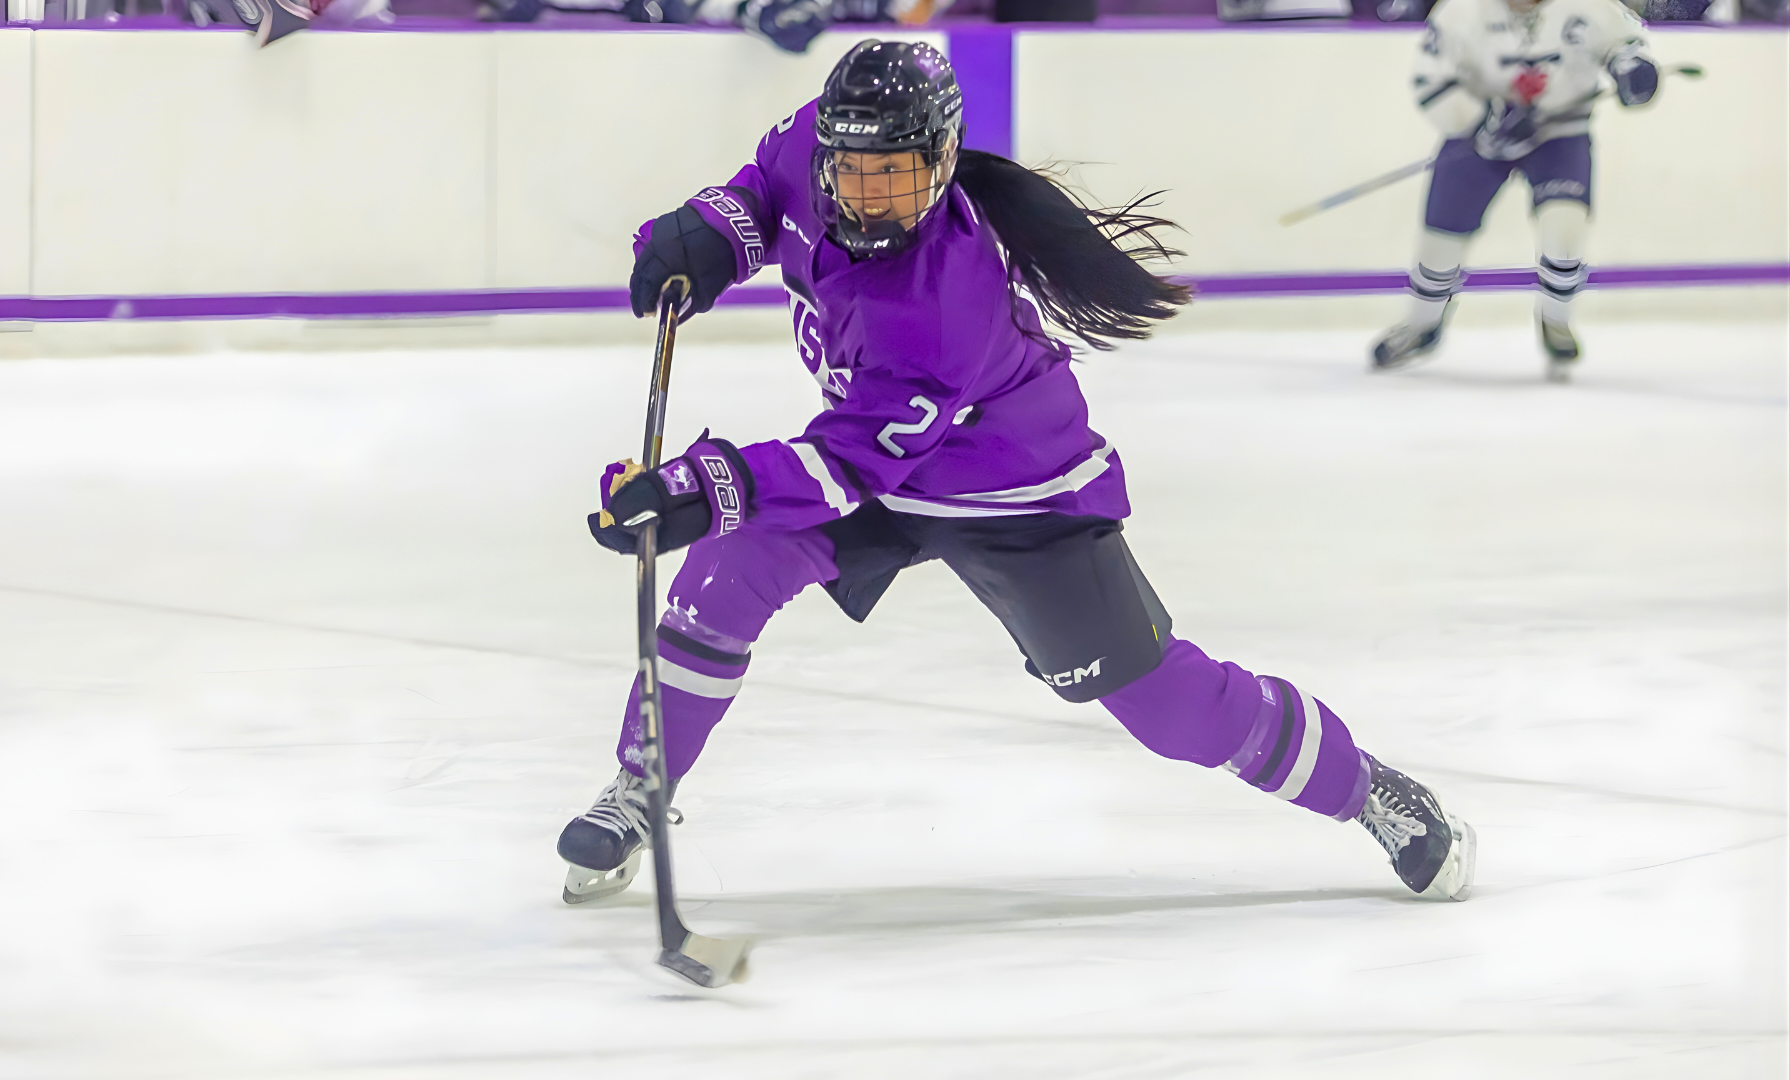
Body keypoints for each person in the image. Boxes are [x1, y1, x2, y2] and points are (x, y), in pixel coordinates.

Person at [557, 40, 1477, 909]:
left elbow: (842, 464)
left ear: (945, 161)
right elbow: (765, 192)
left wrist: (696, 490)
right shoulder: (817, 142)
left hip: (1014, 493)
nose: (869, 198)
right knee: (733, 566)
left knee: (1165, 708)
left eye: (897, 178)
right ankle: (642, 784)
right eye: (854, 174)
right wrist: (714, 233)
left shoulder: (944, 300)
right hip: (883, 468)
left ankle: (1366, 791)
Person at [1371, 0, 1660, 381]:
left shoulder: (1589, 5)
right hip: (1474, 140)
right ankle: (1422, 325)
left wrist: (1631, 67)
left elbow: (1624, 43)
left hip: (1561, 134)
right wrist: (1480, 122)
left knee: (1565, 232)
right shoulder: (1460, 10)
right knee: (1439, 245)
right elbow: (1430, 78)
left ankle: (1556, 321)